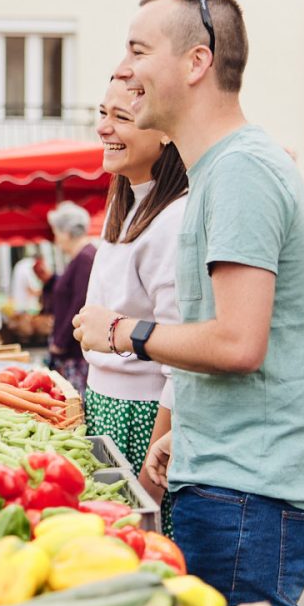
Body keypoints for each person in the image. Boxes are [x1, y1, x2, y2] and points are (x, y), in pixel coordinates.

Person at [73, 0, 304, 606]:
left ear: (195, 63)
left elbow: (236, 343)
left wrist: (122, 331)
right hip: (226, 475)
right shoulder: (220, 172)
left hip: (250, 489)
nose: (126, 71)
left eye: (138, 51)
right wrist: (183, 430)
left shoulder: (242, 172)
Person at [79, 77, 188, 527]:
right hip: (106, 407)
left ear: (164, 129)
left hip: (143, 420)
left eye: (120, 117)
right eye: (102, 114)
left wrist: (150, 478)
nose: (104, 128)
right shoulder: (124, 203)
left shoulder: (176, 217)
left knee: (141, 548)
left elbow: (183, 360)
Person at [43, 202, 96, 396]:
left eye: (56, 232)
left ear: (66, 232)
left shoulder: (85, 258)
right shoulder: (82, 257)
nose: (56, 239)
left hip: (75, 351)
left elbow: (80, 303)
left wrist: (61, 341)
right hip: (72, 347)